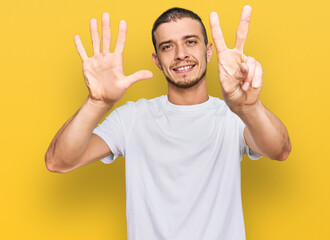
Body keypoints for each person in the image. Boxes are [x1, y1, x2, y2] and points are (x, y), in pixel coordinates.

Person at [45, 5, 291, 240]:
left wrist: (249, 107)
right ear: (156, 59)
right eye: (167, 46)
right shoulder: (132, 118)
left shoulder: (232, 116)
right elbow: (59, 161)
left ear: (208, 51)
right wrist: (96, 103)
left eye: (190, 41)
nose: (180, 54)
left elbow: (279, 150)